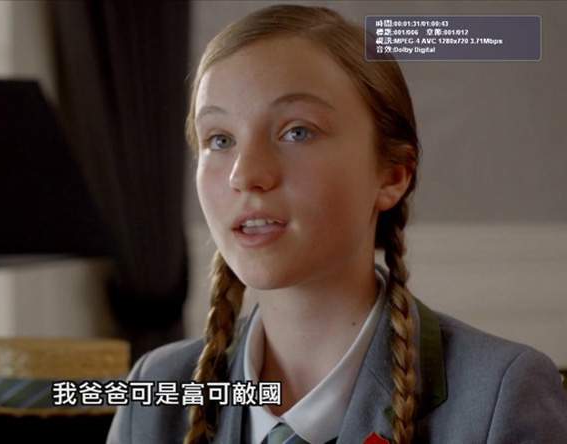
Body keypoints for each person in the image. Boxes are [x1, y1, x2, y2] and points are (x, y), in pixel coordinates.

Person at [106, 5, 567, 444]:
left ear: (393, 176)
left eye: (297, 132)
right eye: (220, 139)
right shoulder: (155, 393)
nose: (244, 174)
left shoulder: (501, 395)